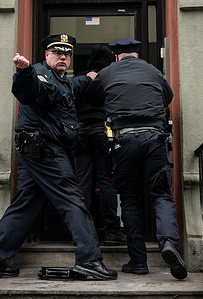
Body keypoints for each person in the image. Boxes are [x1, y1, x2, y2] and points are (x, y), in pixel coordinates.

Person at [0, 33, 118, 281]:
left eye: (67, 53)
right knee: (73, 199)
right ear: (46, 55)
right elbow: (31, 90)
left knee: (25, 205)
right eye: (57, 52)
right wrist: (23, 73)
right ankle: (89, 259)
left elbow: (72, 87)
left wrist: (89, 77)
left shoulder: (62, 79)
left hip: (34, 151)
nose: (63, 56)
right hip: (45, 149)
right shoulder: (39, 75)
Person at [87, 38, 187, 280]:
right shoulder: (153, 70)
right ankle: (168, 243)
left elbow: (92, 98)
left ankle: (139, 262)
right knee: (161, 193)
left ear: (116, 56)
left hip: (124, 140)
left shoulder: (108, 72)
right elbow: (168, 97)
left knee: (130, 200)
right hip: (155, 138)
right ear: (136, 54)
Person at [73, 44, 126, 246]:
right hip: (103, 130)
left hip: (80, 130)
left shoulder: (81, 78)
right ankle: (112, 229)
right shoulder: (109, 79)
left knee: (82, 183)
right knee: (106, 181)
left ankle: (83, 231)